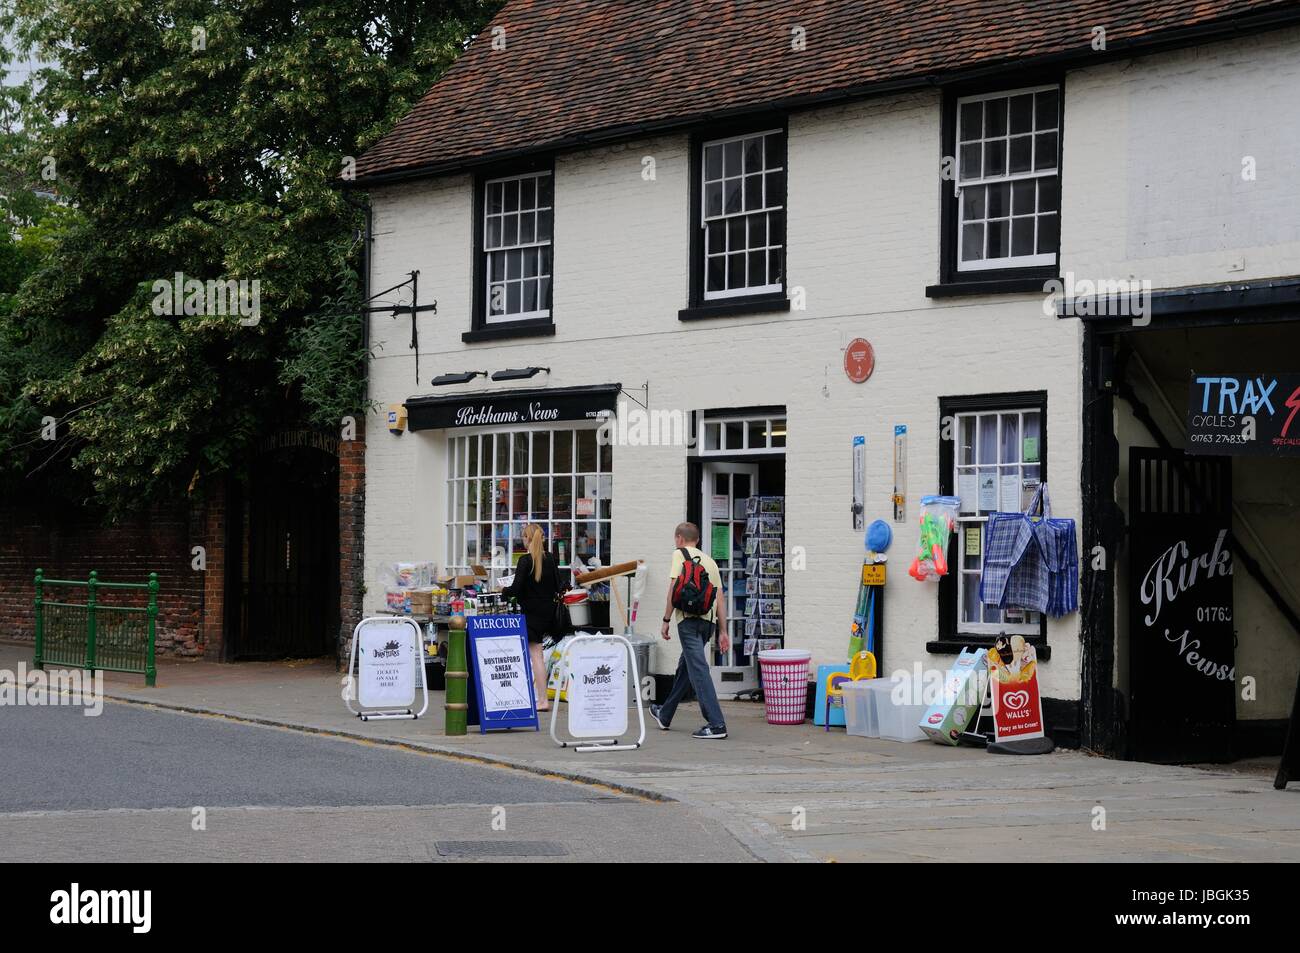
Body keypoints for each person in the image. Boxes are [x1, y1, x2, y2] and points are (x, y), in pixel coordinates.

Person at [650, 522, 729, 739]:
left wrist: (666, 619)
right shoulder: (711, 562)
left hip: (688, 620)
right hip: (708, 623)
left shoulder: (680, 554)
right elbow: (720, 598)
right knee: (686, 668)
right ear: (698, 540)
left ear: (679, 538)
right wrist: (723, 631)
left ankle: (716, 724)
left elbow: (674, 589)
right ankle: (665, 714)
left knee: (698, 669)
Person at [501, 523, 565, 712]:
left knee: (536, 656)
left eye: (523, 538)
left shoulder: (525, 561)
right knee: (538, 656)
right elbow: (559, 586)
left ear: (527, 539)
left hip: (531, 612)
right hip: (547, 612)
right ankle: (540, 697)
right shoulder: (551, 559)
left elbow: (515, 589)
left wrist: (502, 590)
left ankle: (542, 700)